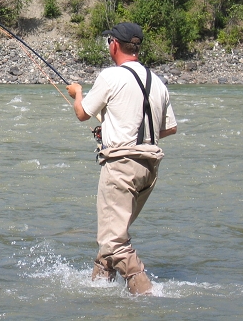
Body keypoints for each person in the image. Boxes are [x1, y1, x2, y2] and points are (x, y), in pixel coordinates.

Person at [66, 22, 177, 295]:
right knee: (115, 233)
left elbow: (82, 113)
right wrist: (118, 127)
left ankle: (145, 293)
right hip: (149, 168)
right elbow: (170, 127)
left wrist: (77, 92)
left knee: (113, 240)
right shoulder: (157, 81)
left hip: (121, 167)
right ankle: (99, 288)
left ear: (114, 44)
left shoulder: (111, 76)